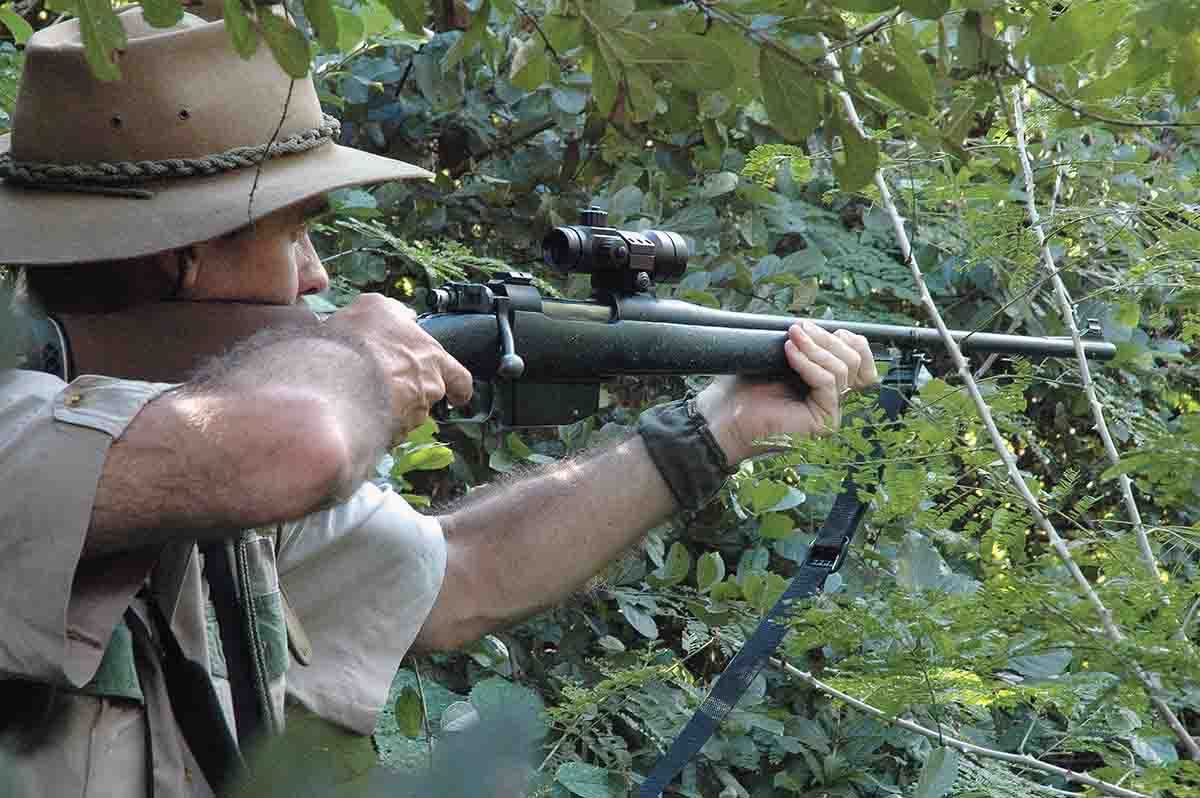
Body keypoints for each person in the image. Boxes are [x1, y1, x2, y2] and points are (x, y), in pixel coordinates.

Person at [0, 7, 878, 798]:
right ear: (179, 255)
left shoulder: (198, 451)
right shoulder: (26, 424)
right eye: (296, 233)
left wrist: (713, 428)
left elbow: (457, 574)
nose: (317, 276)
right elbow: (302, 444)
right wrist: (348, 354)